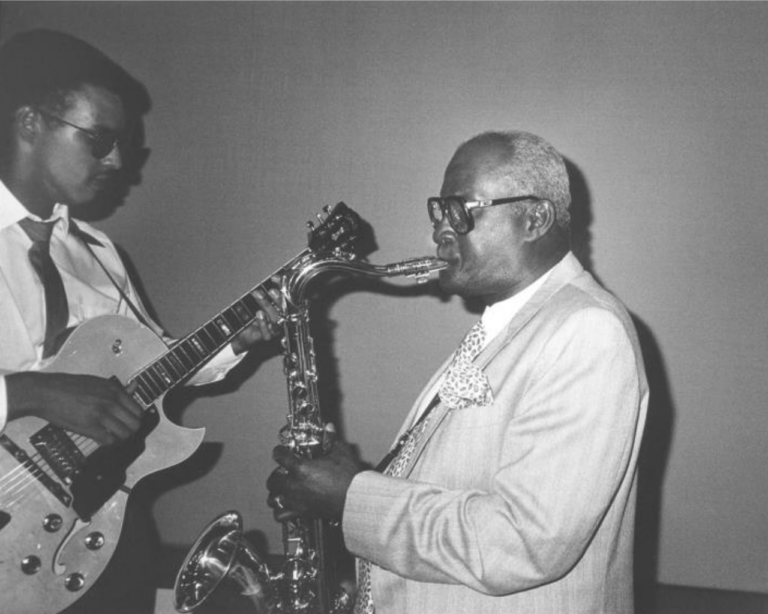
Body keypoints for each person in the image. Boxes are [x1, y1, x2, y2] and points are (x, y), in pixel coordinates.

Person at [267, 130, 649, 613]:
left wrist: (352, 497)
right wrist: (359, 478)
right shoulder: (511, 325)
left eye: (460, 210)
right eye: (438, 211)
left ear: (535, 218)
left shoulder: (587, 329)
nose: (439, 231)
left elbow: (521, 543)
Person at [0, 29, 281, 613]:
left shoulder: (94, 251)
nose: (119, 161)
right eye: (100, 139)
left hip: (85, 528)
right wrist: (28, 392)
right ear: (30, 123)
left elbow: (153, 362)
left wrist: (237, 341)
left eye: (123, 144)